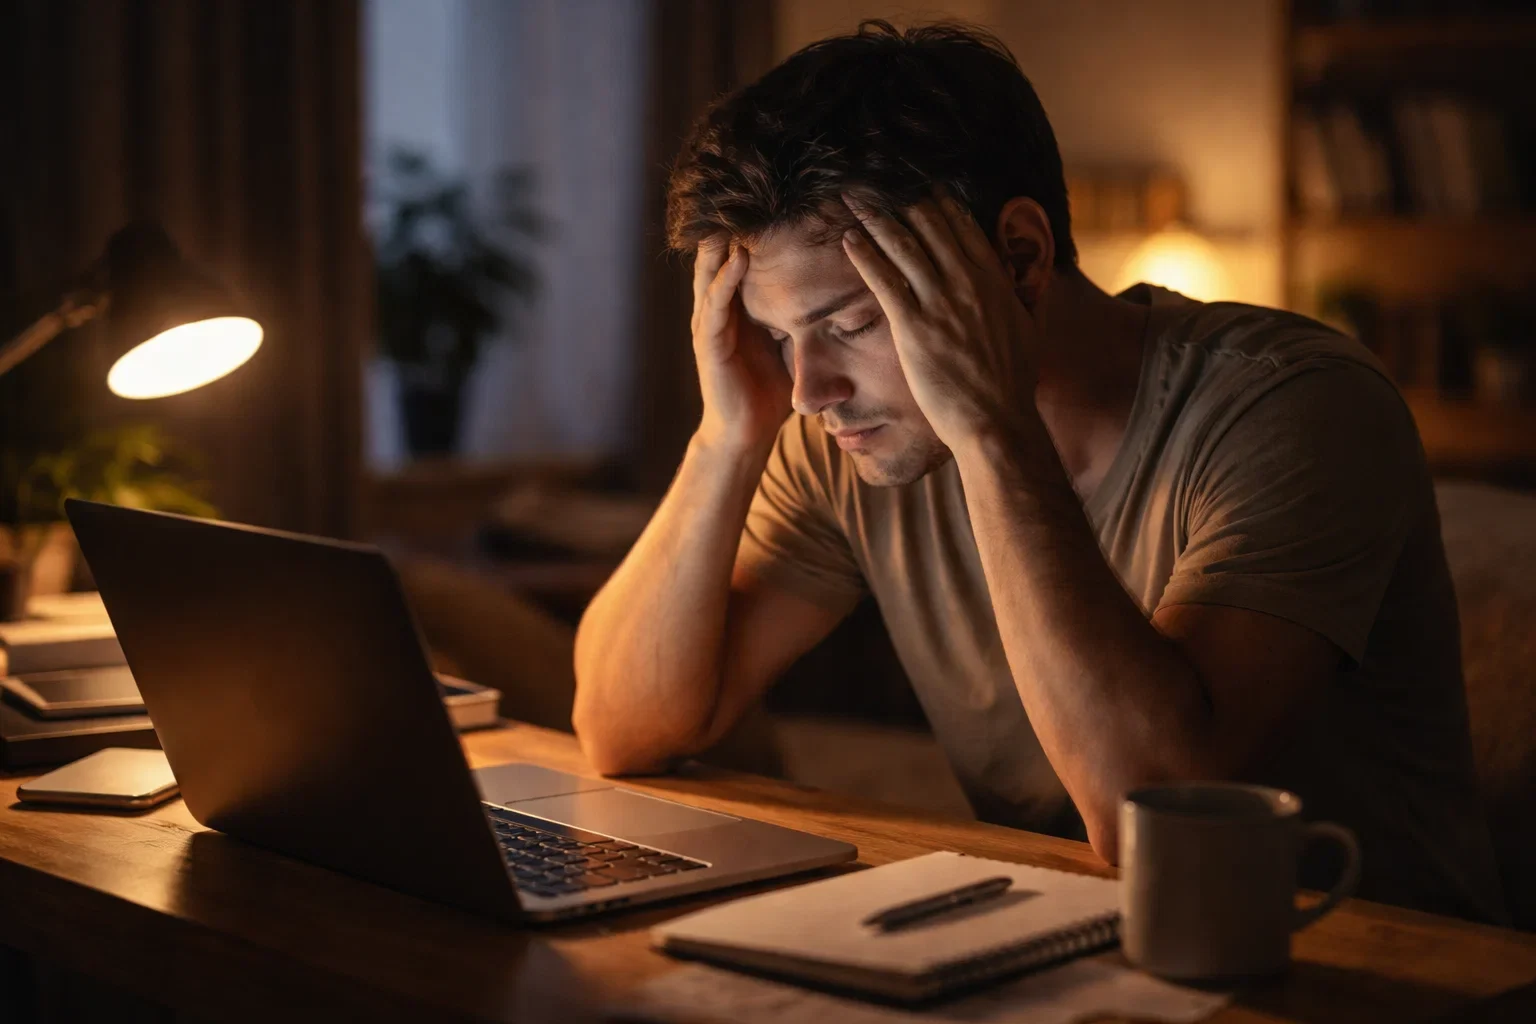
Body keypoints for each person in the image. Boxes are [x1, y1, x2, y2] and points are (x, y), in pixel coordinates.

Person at [572, 21, 1506, 923]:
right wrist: (726, 439)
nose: (809, 387)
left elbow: (1157, 813)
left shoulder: (1299, 405)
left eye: (852, 325)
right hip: (1073, 941)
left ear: (1016, 257)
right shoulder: (836, 431)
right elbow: (622, 727)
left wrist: (990, 429)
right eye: (779, 337)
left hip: (1370, 966)